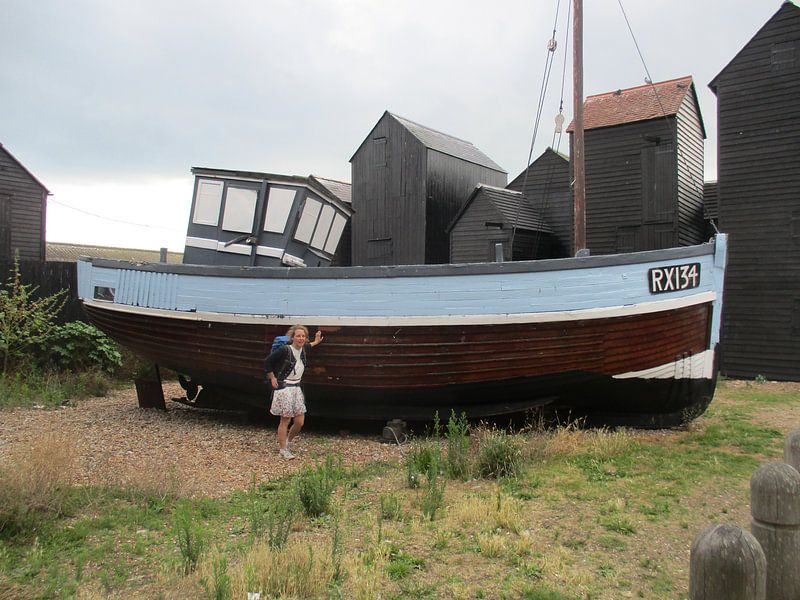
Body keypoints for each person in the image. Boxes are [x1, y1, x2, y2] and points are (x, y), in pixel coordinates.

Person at [264, 324, 323, 459]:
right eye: (298, 336)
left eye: (303, 336)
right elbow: (267, 362)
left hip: (297, 388)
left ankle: (288, 442)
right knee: (285, 420)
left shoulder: (303, 349)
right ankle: (283, 449)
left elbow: (309, 345)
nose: (301, 339)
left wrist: (316, 341)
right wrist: (272, 377)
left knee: (300, 421)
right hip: (285, 387)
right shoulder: (285, 350)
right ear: (292, 337)